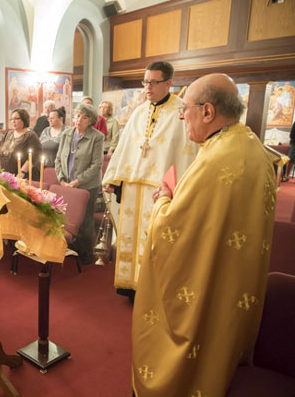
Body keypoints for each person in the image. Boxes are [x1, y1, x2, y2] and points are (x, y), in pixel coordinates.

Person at [132, 73, 276, 397]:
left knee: (197, 343)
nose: (181, 115)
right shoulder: (251, 145)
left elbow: (170, 231)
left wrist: (165, 198)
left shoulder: (216, 159)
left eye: (186, 108)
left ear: (208, 112)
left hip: (209, 286)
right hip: (238, 282)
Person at [102, 61, 197, 301]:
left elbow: (185, 152)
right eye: (145, 82)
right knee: (131, 238)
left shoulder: (181, 112)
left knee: (155, 237)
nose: (148, 87)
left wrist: (179, 189)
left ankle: (151, 289)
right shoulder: (139, 111)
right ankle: (129, 285)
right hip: (134, 186)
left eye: (153, 82)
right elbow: (125, 147)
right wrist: (114, 178)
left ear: (168, 83)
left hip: (160, 190)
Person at [55, 103, 104, 265]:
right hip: (66, 184)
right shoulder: (66, 134)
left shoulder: (97, 137)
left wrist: (77, 181)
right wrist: (62, 179)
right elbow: (58, 159)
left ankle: (85, 252)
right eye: (77, 116)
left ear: (91, 121)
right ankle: (71, 247)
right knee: (67, 217)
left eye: (84, 117)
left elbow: (96, 165)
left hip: (86, 185)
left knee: (85, 219)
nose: (79, 120)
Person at [0, 108, 42, 179]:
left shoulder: (31, 136)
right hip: (5, 175)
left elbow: (34, 157)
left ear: (24, 119)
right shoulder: (8, 134)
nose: (13, 121)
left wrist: (22, 172)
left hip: (23, 176)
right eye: (11, 119)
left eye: (16, 119)